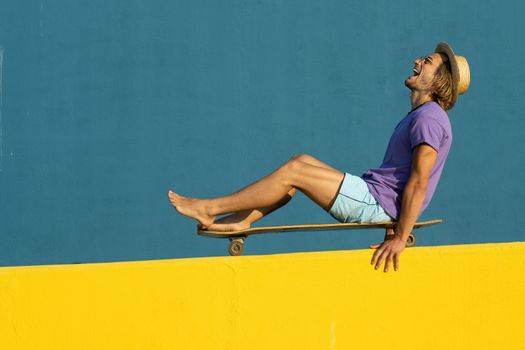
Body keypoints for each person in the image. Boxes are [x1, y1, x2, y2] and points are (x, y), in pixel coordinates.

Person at [168, 42, 470, 272]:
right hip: (375, 197)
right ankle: (242, 221)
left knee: (296, 170)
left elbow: (419, 182)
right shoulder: (422, 116)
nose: (417, 61)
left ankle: (210, 208)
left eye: (427, 62)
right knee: (303, 162)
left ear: (438, 79)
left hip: (376, 203)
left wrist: (399, 237)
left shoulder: (429, 118)